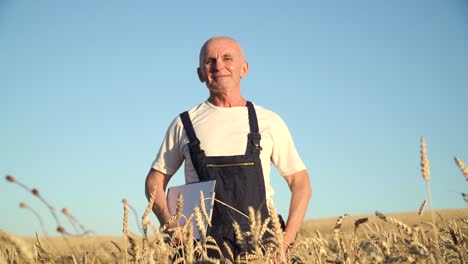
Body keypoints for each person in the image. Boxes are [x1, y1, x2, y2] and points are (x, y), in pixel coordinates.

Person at [145, 36, 312, 260]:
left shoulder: (269, 121)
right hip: (203, 250)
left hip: (261, 248)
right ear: (200, 74)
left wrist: (285, 241)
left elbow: (300, 182)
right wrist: (170, 224)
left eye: (227, 58)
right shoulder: (184, 124)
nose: (218, 66)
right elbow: (154, 181)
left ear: (244, 68)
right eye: (209, 61)